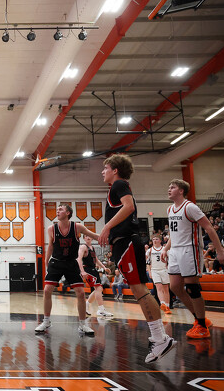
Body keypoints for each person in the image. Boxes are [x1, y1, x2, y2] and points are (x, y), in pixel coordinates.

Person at [98, 154, 175, 363]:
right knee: (138, 290)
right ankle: (160, 337)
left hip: (128, 243)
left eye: (105, 168)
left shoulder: (119, 184)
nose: (102, 172)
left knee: (140, 290)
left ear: (115, 170)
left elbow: (129, 206)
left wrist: (107, 227)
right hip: (125, 243)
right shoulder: (117, 187)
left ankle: (160, 338)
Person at [162, 179, 224, 339]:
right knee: (175, 287)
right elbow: (174, 233)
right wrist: (165, 248)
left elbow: (209, 228)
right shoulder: (170, 209)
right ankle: (200, 319)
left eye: (172, 187)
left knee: (192, 288)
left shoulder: (190, 207)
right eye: (169, 187)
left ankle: (202, 326)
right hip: (175, 251)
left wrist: (220, 251)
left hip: (189, 249)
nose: (169, 189)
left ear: (181, 191)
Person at [35, 204, 100, 336]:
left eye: (61, 209)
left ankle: (83, 324)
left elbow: (93, 235)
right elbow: (51, 246)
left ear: (68, 213)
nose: (57, 211)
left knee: (80, 293)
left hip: (71, 263)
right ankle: (46, 321)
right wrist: (46, 261)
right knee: (47, 290)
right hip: (56, 262)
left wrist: (108, 237)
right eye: (57, 209)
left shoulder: (77, 227)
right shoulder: (52, 228)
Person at [78, 234, 113, 318]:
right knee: (99, 288)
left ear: (92, 238)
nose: (88, 237)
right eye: (86, 236)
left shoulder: (93, 248)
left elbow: (96, 260)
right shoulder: (83, 247)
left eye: (89, 236)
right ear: (84, 238)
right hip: (87, 270)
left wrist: (104, 267)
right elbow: (79, 259)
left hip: (93, 269)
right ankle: (101, 310)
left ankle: (87, 304)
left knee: (98, 289)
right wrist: (82, 271)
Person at [146, 235, 171, 314]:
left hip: (164, 270)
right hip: (155, 270)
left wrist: (168, 267)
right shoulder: (149, 250)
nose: (154, 240)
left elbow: (170, 260)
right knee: (158, 287)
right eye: (153, 239)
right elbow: (148, 263)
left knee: (166, 289)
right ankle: (162, 304)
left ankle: (167, 306)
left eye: (156, 239)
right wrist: (150, 272)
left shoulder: (165, 249)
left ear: (160, 240)